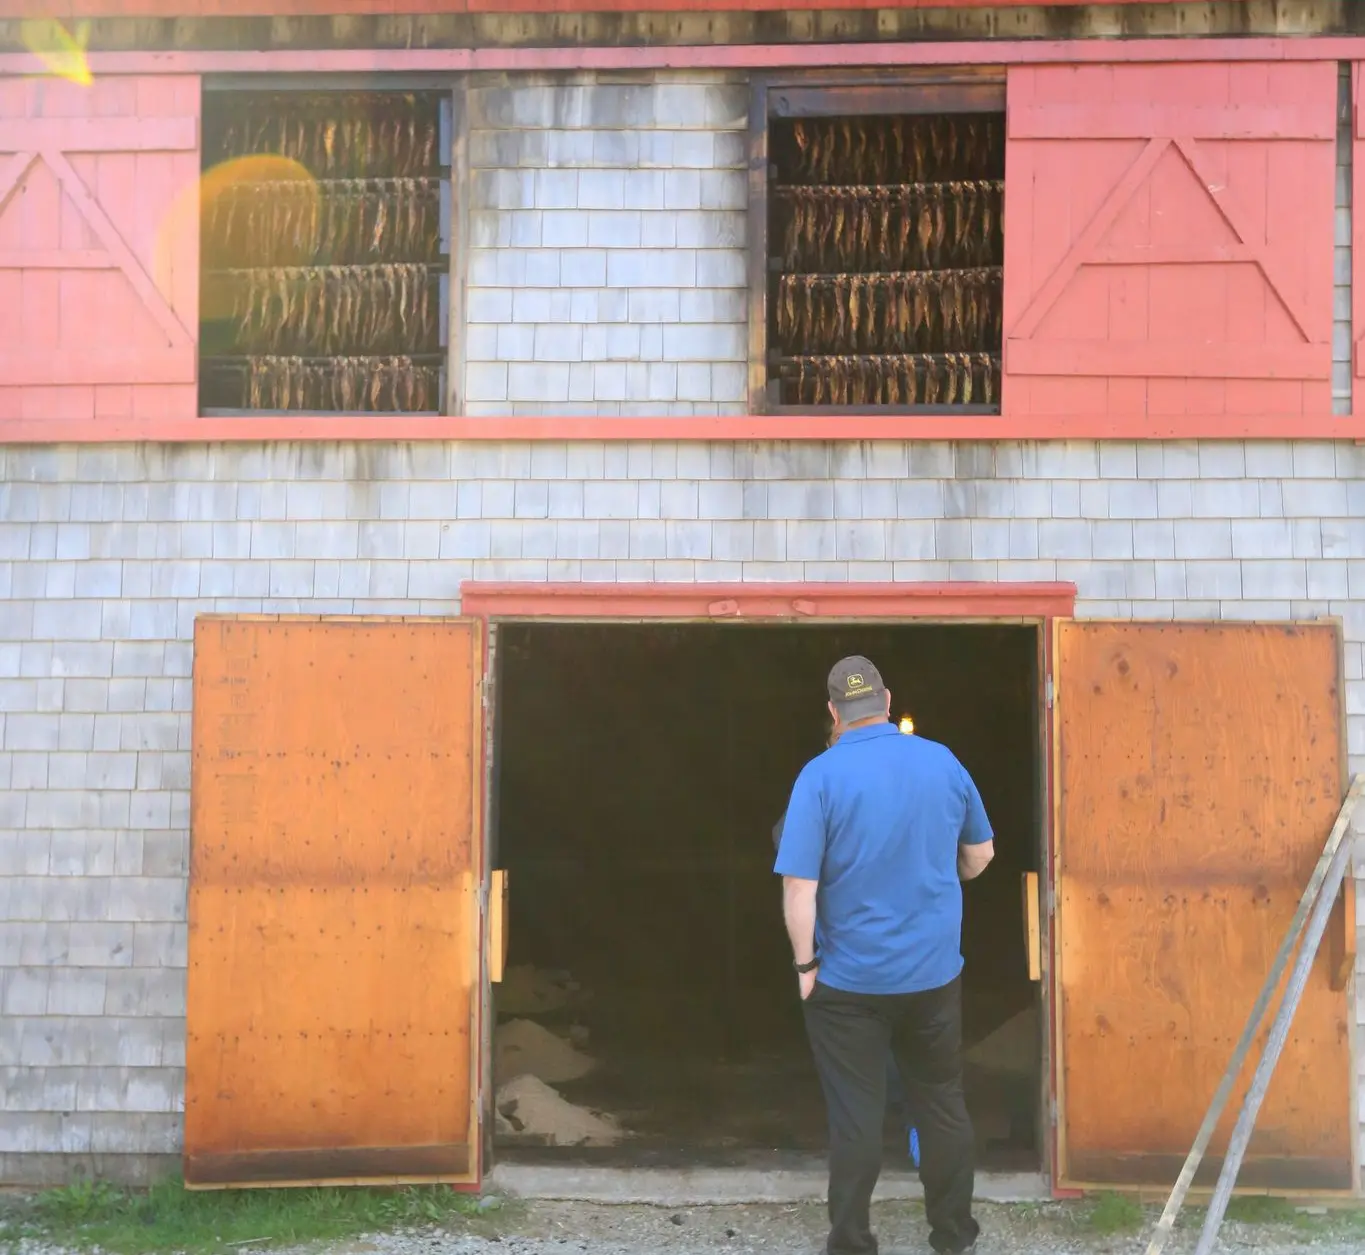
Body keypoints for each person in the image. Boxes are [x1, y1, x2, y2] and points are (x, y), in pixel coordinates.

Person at [775, 656, 994, 1255]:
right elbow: (980, 856)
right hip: (932, 975)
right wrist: (933, 875)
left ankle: (851, 1242)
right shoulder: (941, 761)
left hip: (848, 983)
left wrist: (804, 966)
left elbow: (799, 887)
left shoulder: (818, 777)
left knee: (856, 1118)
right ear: (887, 700)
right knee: (942, 1105)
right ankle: (953, 1238)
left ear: (832, 712)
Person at [771, 719, 917, 1163]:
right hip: (858, 953)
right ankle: (902, 1133)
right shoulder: (822, 789)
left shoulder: (870, 790)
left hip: (881, 949)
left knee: (887, 1049)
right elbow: (786, 842)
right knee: (878, 1051)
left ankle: (907, 1130)